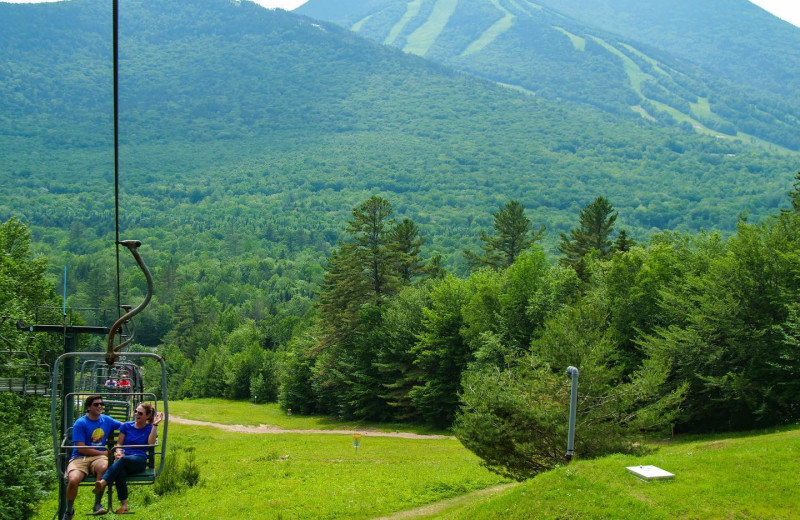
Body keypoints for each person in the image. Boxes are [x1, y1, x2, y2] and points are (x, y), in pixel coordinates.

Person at [93, 403, 164, 514]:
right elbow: (119, 444)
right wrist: (118, 452)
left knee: (123, 460)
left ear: (147, 416)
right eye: (136, 411)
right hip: (124, 459)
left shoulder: (149, 428)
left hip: (139, 460)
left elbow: (150, 444)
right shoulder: (126, 426)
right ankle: (124, 505)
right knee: (120, 471)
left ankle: (103, 482)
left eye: (140, 413)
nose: (136, 414)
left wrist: (155, 425)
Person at [64, 394, 121, 519]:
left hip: (98, 459)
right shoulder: (81, 423)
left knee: (104, 467)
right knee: (73, 480)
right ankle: (69, 511)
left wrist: (148, 421)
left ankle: (97, 504)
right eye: (96, 404)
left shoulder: (107, 420)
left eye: (101, 404)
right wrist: (104, 453)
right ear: (88, 407)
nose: (100, 406)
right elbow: (81, 448)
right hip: (80, 458)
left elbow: (125, 426)